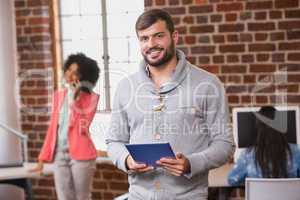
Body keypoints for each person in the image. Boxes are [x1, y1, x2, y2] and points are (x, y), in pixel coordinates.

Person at [106, 9, 234, 199]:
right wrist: (126, 159)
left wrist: (191, 163)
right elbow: (114, 141)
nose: (151, 44)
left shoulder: (208, 84)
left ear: (174, 36)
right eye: (144, 38)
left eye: (158, 36)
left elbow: (224, 144)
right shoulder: (125, 87)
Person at [30, 53, 100, 200]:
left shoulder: (91, 99)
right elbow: (52, 130)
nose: (70, 74)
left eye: (76, 73)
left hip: (82, 155)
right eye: (69, 69)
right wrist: (42, 159)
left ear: (84, 77)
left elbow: (82, 126)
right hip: (59, 154)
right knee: (64, 197)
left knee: (82, 197)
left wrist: (76, 97)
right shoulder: (58, 95)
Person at [228, 106, 300, 186]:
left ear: (259, 127)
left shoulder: (248, 155)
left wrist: (250, 177)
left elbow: (232, 180)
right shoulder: (296, 151)